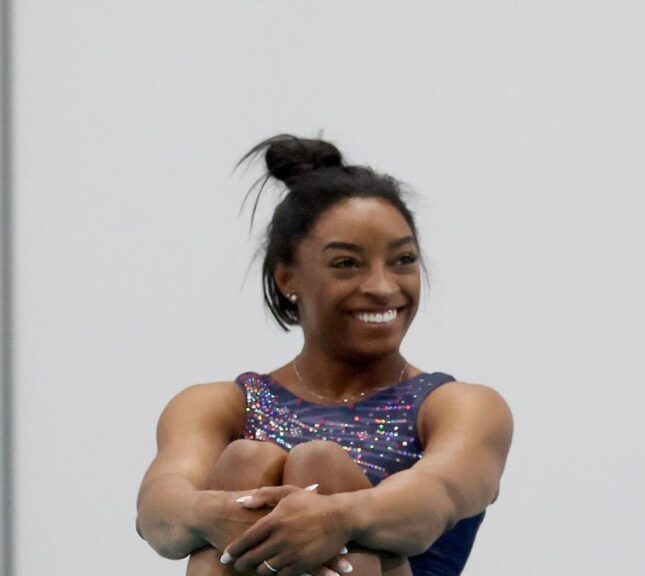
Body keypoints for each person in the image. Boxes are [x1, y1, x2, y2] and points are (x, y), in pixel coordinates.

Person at [136, 135, 513, 576]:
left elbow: (436, 498)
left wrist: (335, 519)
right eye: (347, 264)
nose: (383, 286)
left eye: (403, 260)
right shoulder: (218, 404)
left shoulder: (461, 406)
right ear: (287, 277)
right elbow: (159, 511)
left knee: (321, 465)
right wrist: (215, 514)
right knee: (246, 462)